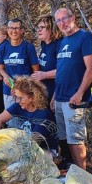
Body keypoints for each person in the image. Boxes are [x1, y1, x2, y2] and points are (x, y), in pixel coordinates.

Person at [51, 7, 92, 170]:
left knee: (76, 140)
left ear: (74, 17)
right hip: (60, 97)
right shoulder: (63, 42)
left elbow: (91, 68)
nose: (62, 23)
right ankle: (75, 174)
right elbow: (63, 70)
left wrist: (80, 93)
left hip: (74, 99)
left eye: (65, 18)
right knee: (66, 139)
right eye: (58, 21)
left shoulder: (84, 38)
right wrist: (55, 95)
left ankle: (83, 177)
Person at [0, 76, 58, 153]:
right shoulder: (18, 106)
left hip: (45, 150)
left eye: (20, 98)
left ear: (33, 97)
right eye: (16, 97)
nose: (17, 101)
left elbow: (34, 142)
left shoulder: (44, 115)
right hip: (24, 146)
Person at [30, 15, 63, 161]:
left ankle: (61, 157)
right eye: (37, 28)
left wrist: (44, 75)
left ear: (52, 28)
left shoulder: (59, 45)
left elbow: (63, 71)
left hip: (56, 93)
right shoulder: (44, 45)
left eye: (42, 27)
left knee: (57, 129)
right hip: (44, 94)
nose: (38, 30)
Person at [0, 19, 40, 109]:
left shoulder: (28, 47)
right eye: (11, 28)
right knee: (11, 121)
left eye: (16, 28)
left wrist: (24, 89)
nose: (14, 31)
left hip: (25, 92)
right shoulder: (3, 47)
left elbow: (36, 72)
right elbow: (0, 68)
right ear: (8, 30)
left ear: (22, 30)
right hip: (9, 91)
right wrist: (5, 76)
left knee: (26, 121)